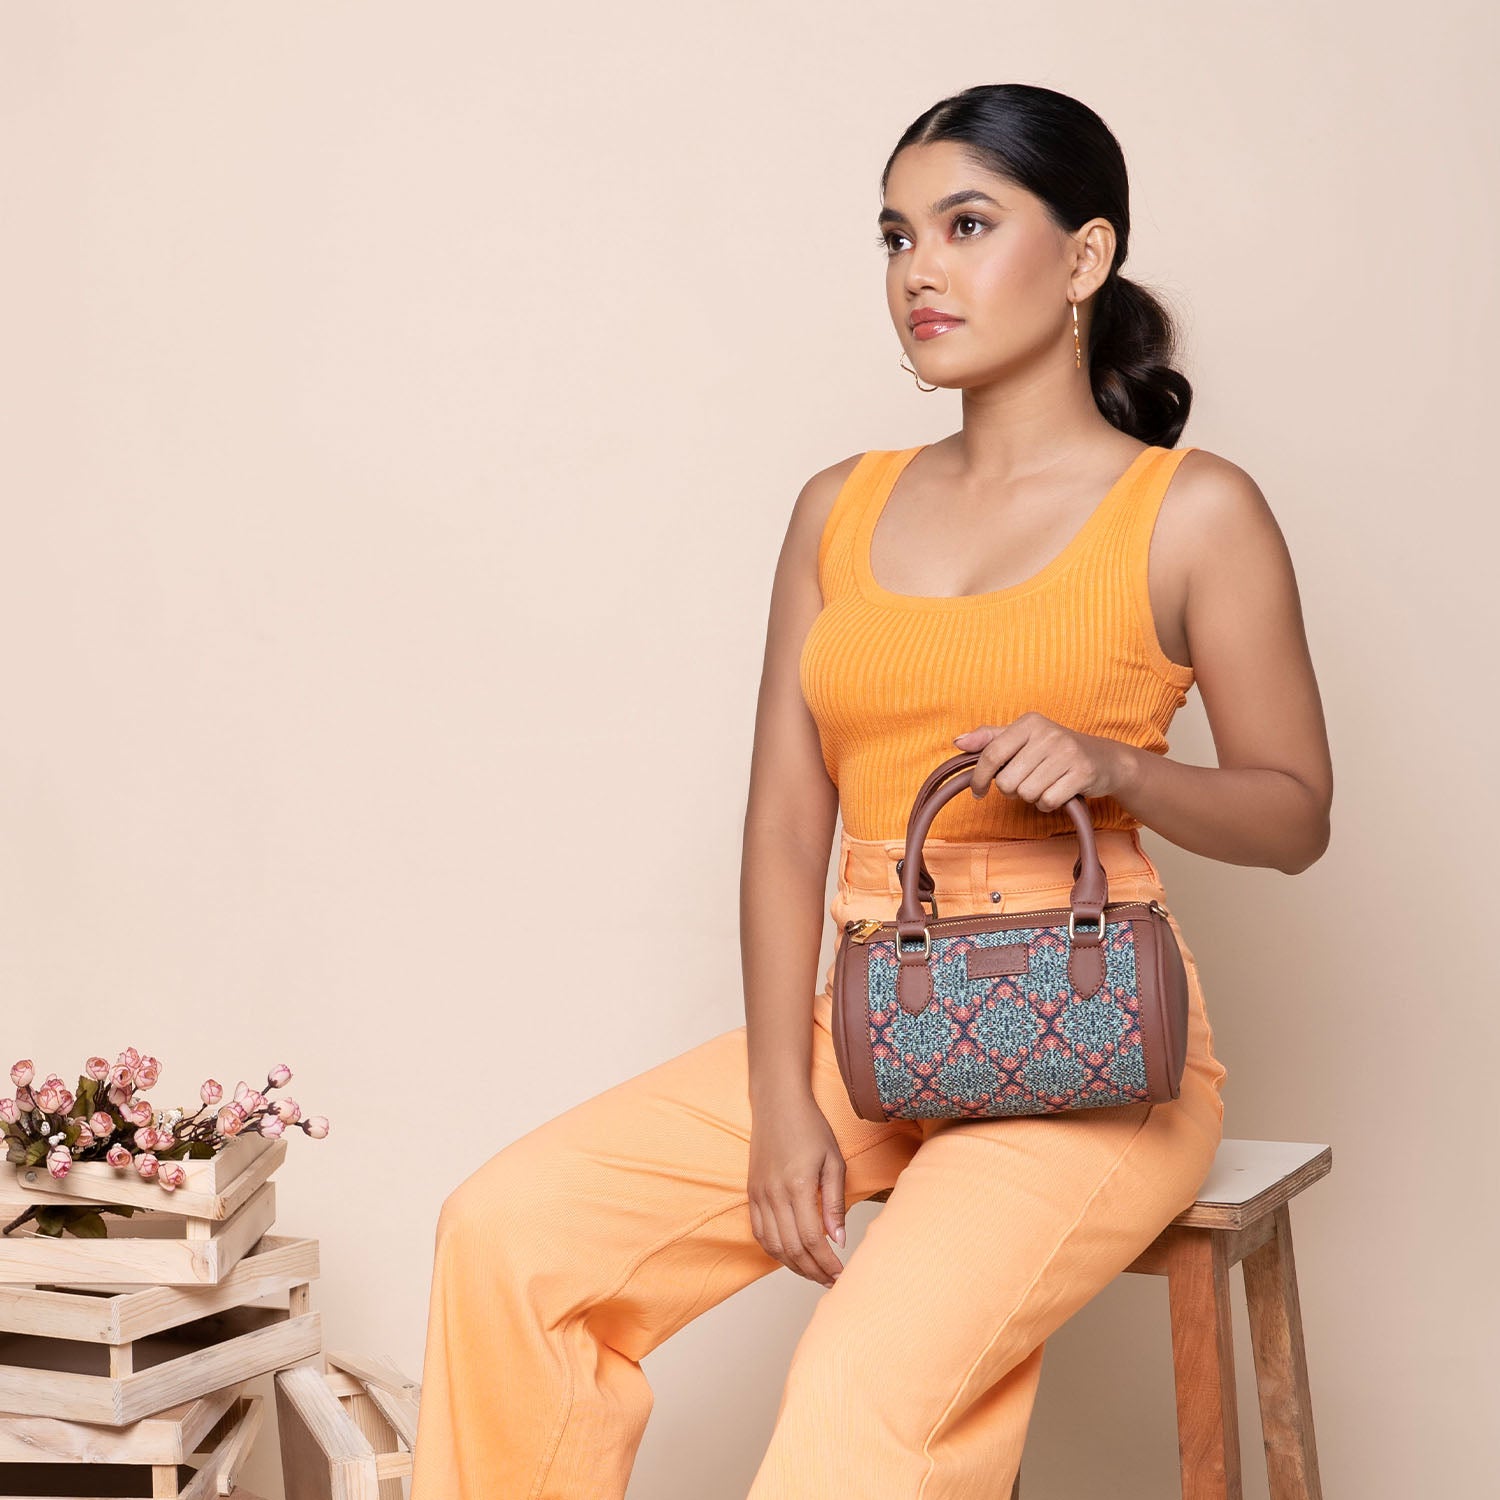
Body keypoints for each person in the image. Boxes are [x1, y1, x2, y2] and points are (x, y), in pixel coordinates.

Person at [408, 81, 1333, 1500]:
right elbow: (788, 826)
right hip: (866, 1013)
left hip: (1088, 1040)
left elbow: (1294, 813)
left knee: (858, 1388)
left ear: (1085, 257)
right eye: (897, 237)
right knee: (507, 1236)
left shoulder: (1193, 509)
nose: (919, 272)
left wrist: (1122, 768)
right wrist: (783, 1102)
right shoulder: (838, 505)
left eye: (968, 225)